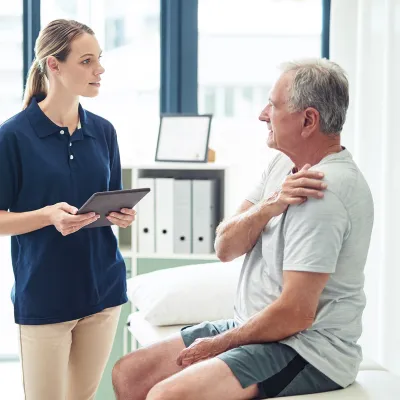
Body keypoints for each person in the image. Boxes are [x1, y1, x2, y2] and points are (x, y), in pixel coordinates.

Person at [112, 58, 374, 400]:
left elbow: (296, 313)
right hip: (257, 329)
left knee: (168, 395)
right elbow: (225, 247)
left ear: (308, 120)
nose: (263, 114)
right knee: (129, 374)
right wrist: (270, 206)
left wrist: (219, 345)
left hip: (307, 349)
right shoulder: (284, 165)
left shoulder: (323, 191)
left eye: (274, 106)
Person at [0, 19, 135, 400]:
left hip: (103, 291)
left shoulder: (104, 131)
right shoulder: (13, 136)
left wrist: (121, 214)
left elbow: (109, 200)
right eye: (87, 61)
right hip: (45, 295)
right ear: (54, 66)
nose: (100, 70)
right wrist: (46, 215)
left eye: (100, 59)